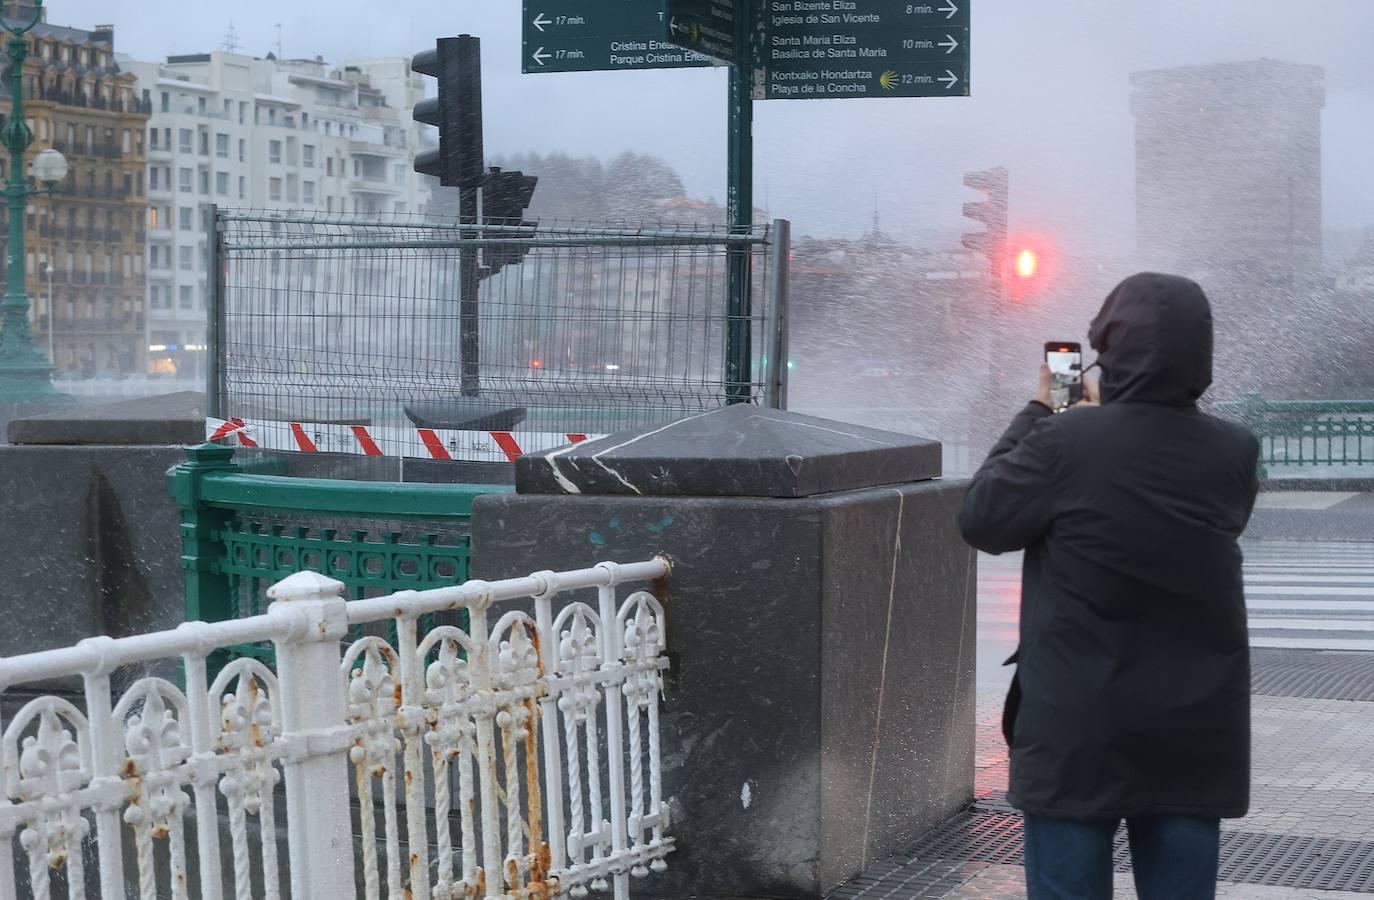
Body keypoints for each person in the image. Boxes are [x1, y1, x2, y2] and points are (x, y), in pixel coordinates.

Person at [958, 273, 1260, 900]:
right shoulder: (1235, 451)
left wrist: (1043, 408)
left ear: (1108, 348)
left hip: (1076, 729)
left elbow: (983, 519)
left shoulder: (1064, 440)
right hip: (1194, 730)